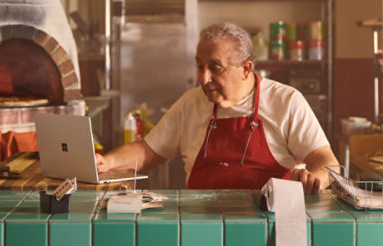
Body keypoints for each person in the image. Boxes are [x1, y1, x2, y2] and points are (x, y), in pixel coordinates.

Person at [96, 22, 339, 194]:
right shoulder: (190, 103)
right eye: (200, 66)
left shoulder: (285, 101)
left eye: (215, 67)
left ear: (245, 69)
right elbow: (147, 152)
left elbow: (328, 162)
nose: (203, 78)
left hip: (269, 226)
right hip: (202, 226)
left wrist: (314, 178)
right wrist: (106, 162)